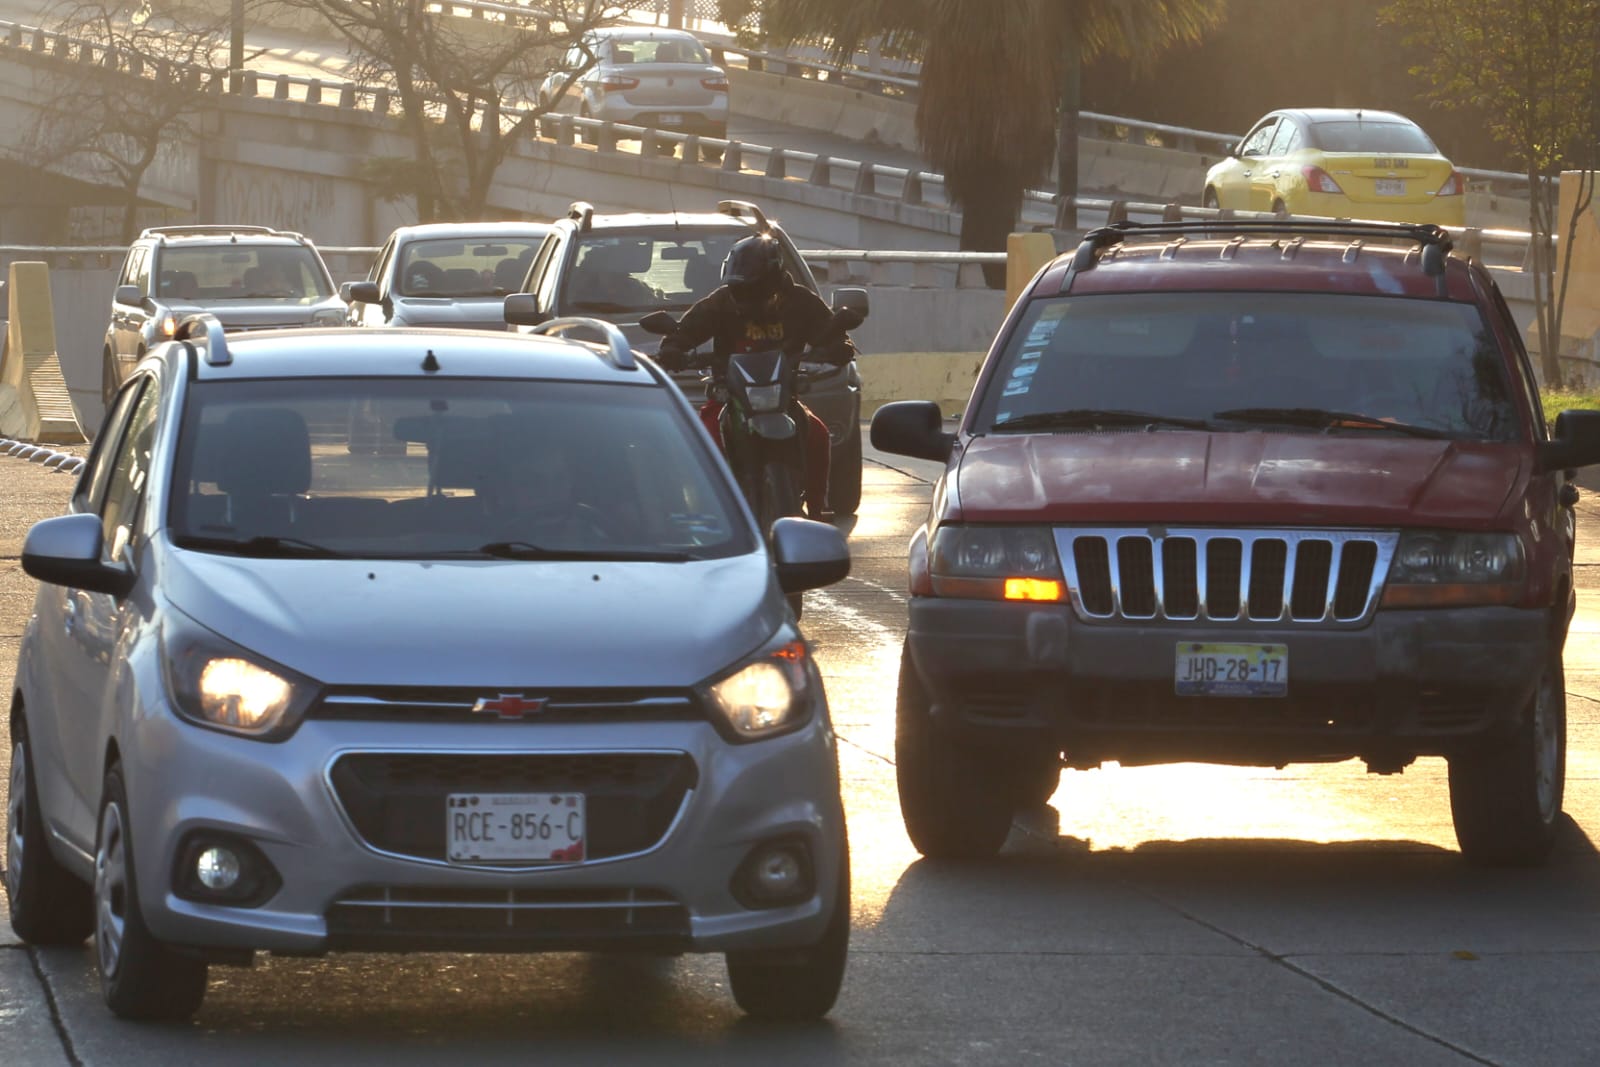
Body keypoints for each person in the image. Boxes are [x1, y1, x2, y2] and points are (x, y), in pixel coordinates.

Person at [654, 234, 854, 519]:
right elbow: (686, 331)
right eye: (739, 288)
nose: (746, 295)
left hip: (782, 401)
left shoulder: (800, 301)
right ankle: (701, 514)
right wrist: (673, 349)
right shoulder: (721, 302)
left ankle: (817, 508)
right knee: (702, 441)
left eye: (753, 288)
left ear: (772, 279)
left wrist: (837, 346)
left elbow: (829, 330)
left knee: (818, 436)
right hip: (731, 399)